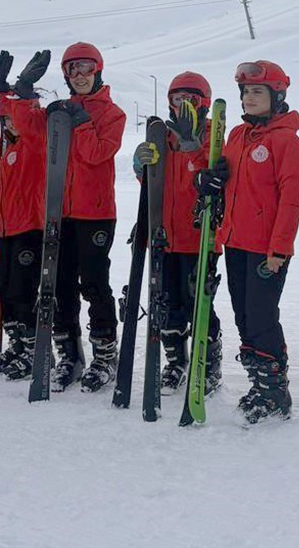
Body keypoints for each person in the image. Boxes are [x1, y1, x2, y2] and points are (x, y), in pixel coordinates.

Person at [195, 60, 299, 424]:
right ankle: (258, 385)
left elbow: (291, 200)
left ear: (277, 95)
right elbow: (223, 178)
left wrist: (280, 249)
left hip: (266, 248)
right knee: (243, 314)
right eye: (245, 92)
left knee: (261, 316)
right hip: (235, 241)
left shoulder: (286, 141)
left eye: (257, 91)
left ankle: (275, 392)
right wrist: (210, 178)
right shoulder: (237, 136)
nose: (249, 98)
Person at [132, 71, 223, 396]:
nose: (183, 105)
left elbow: (215, 179)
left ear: (204, 103)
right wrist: (142, 168)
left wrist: (192, 145)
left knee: (198, 302)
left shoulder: (214, 138)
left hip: (198, 237)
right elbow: (156, 184)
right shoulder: (163, 137)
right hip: (165, 236)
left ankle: (208, 365)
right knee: (166, 302)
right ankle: (175, 361)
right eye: (177, 99)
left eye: (191, 99)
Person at [46, 42, 126, 394]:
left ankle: (105, 354)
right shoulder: (60, 113)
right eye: (72, 69)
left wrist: (79, 122)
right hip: (60, 212)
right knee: (60, 284)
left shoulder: (113, 114)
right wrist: (14, 95)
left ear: (98, 71)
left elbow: (97, 153)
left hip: (95, 212)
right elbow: (26, 134)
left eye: (86, 68)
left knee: (94, 283)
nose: (79, 75)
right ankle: (69, 354)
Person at [0, 49, 52, 381]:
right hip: (8, 228)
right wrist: (0, 91)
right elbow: (9, 116)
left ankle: (36, 349)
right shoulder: (9, 146)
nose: (10, 124)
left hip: (30, 228)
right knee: (7, 289)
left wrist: (23, 94)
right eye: (6, 120)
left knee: (24, 291)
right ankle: (19, 343)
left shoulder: (35, 143)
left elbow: (26, 120)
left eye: (14, 120)